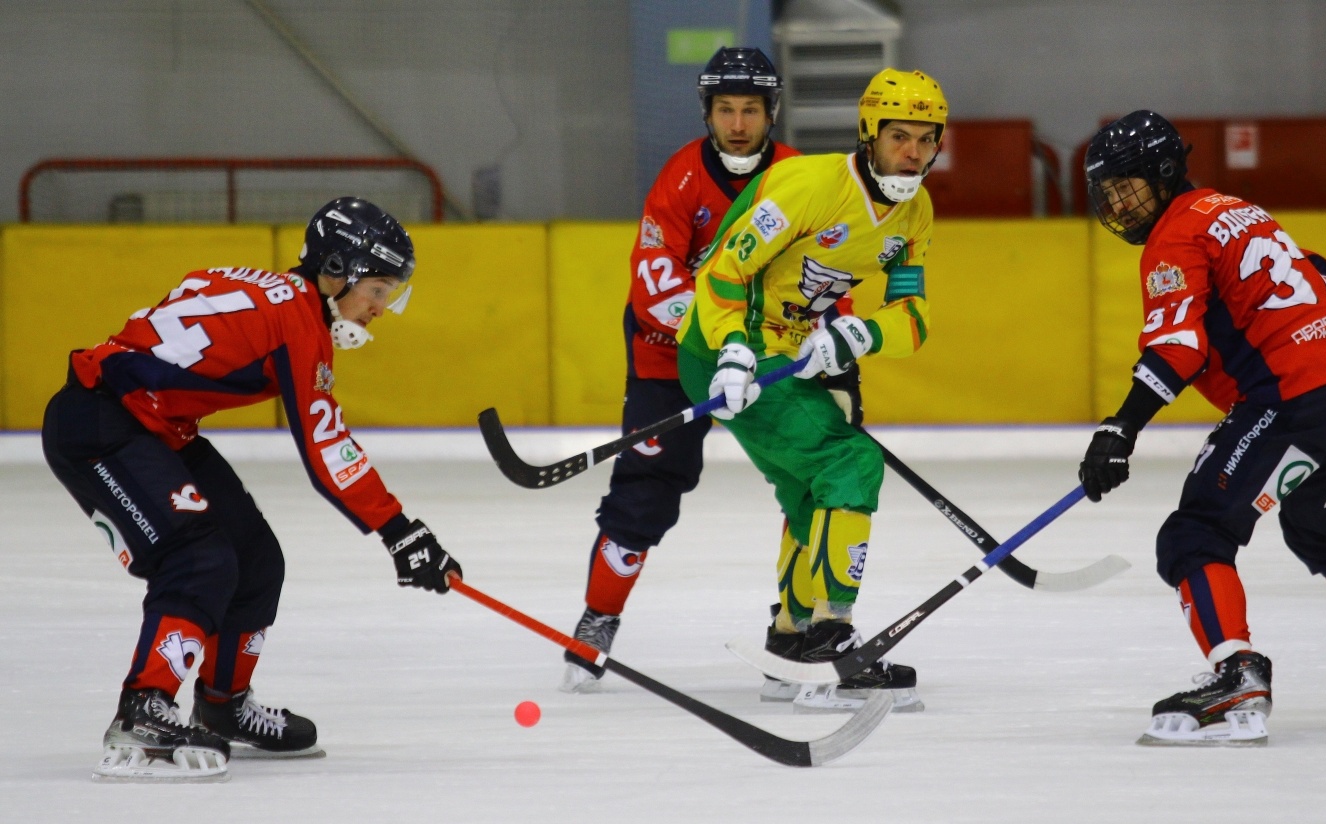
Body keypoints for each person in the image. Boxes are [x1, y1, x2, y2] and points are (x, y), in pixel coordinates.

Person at [42, 197, 463, 781]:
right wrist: (400, 531)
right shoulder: (299, 322)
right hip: (100, 424)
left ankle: (222, 704)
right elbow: (325, 449)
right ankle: (144, 708)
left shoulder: (270, 289)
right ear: (337, 270)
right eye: (379, 290)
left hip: (149, 421)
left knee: (255, 558)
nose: (381, 308)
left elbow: (181, 307)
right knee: (198, 557)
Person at [1078, 110, 1326, 745]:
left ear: (1166, 174)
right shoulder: (1235, 210)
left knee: (1196, 533)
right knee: (1323, 526)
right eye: (1107, 190)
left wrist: (1120, 429)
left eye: (1127, 184)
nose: (1117, 202)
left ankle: (1236, 676)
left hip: (1301, 392)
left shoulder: (1175, 232)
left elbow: (1177, 348)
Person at [673, 67, 948, 713]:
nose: (911, 152)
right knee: (848, 460)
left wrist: (859, 337)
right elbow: (724, 269)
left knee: (810, 493)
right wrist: (734, 349)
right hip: (724, 350)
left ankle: (792, 645)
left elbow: (913, 315)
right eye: (898, 136)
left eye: (925, 139)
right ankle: (833, 645)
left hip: (789, 357)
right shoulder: (808, 185)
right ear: (868, 132)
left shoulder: (916, 211)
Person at [559, 46, 812, 693]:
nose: (736, 123)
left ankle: (798, 628)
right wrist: (724, 343)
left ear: (769, 112)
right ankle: (597, 621)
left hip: (766, 360)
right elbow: (653, 282)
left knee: (811, 482)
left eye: (749, 110)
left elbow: (826, 268)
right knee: (642, 492)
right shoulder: (678, 178)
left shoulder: (799, 178)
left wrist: (808, 338)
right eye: (725, 109)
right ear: (708, 111)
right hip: (667, 356)